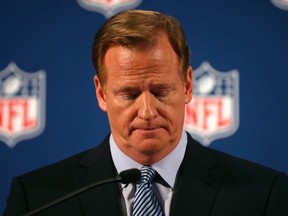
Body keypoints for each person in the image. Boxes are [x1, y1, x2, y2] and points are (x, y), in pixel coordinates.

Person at [4, 10, 288, 216]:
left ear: (188, 85)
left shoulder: (264, 194)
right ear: (101, 93)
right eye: (129, 94)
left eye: (161, 91)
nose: (148, 111)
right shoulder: (38, 199)